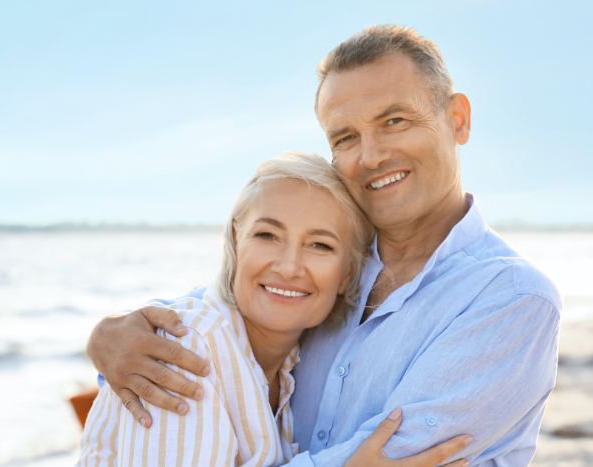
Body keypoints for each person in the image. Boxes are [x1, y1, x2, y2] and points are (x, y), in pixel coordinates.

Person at [88, 25, 560, 466]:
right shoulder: (327, 274)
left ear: (457, 119)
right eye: (346, 137)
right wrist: (116, 337)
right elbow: (223, 325)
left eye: (394, 120)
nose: (371, 156)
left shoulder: (511, 298)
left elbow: (392, 454)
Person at [77, 152, 469, 466]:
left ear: (349, 271)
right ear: (236, 238)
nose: (288, 266)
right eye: (267, 235)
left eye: (320, 245)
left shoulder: (295, 364)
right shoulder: (190, 348)